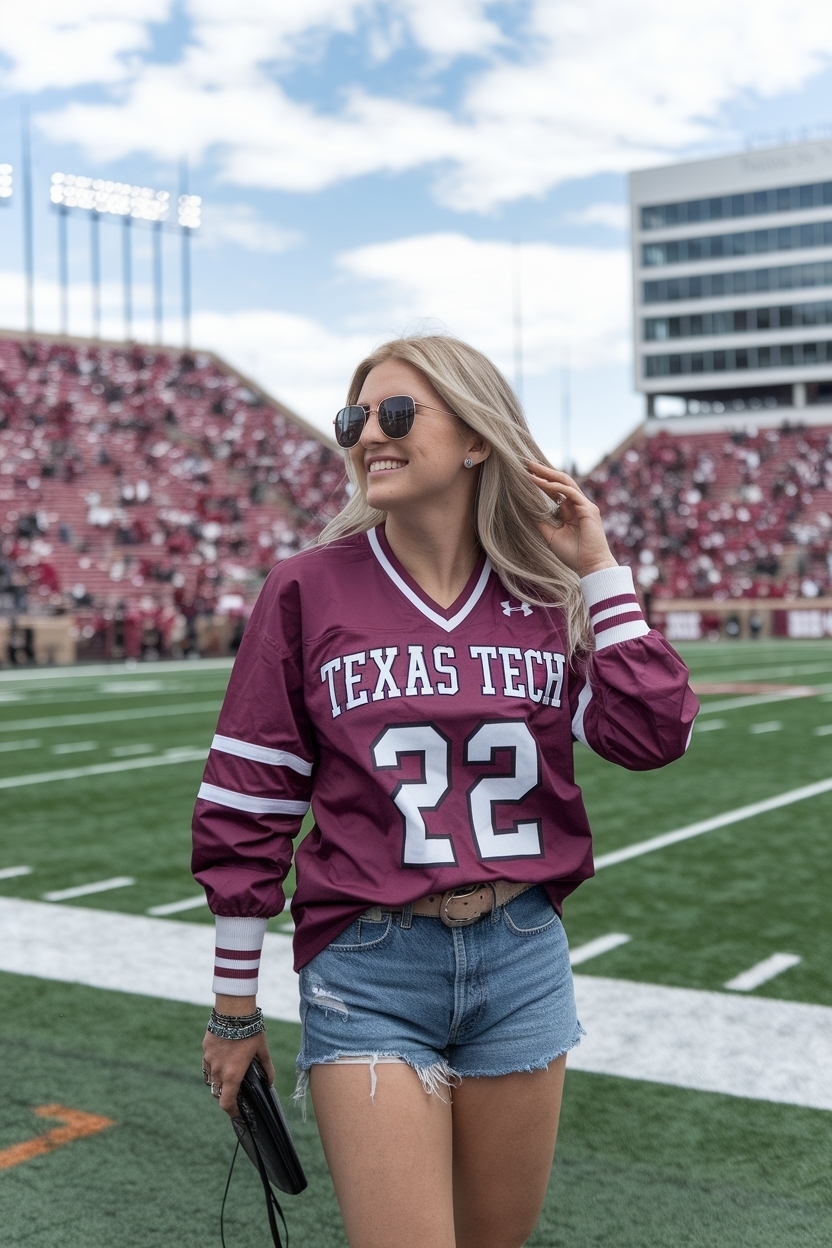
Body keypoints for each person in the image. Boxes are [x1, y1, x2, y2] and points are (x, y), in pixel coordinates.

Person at [194, 335, 698, 1248]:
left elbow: (652, 735)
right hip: (369, 964)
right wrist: (235, 1010)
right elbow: (251, 803)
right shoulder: (305, 588)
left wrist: (598, 570)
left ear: (475, 438)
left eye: (396, 414)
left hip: (522, 956)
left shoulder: (546, 594)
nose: (368, 436)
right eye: (354, 419)